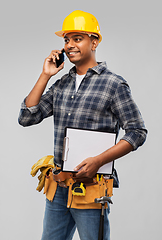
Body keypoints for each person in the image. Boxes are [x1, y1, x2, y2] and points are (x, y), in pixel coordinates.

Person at [18, 10, 147, 240]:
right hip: (58, 188)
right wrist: (45, 75)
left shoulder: (113, 84)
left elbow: (137, 132)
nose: (69, 45)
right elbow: (27, 117)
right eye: (66, 40)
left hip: (91, 188)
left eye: (77, 39)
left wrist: (99, 161)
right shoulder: (62, 85)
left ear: (94, 42)